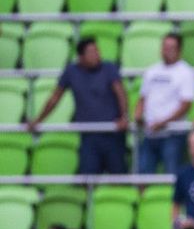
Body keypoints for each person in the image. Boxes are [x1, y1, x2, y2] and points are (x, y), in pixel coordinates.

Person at [29, 38, 129, 175]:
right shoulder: (71, 71)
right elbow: (55, 98)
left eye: (97, 50)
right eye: (92, 52)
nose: (97, 54)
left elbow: (121, 93)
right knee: (87, 178)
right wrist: (39, 120)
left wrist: (124, 117)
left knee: (118, 177)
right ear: (81, 57)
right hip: (88, 135)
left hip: (112, 133)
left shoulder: (109, 68)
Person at [136, 33, 194, 175]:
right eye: (165, 47)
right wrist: (138, 115)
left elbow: (186, 105)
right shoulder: (151, 71)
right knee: (143, 175)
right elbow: (143, 98)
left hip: (173, 134)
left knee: (172, 176)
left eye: (171, 47)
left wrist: (163, 122)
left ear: (179, 50)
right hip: (150, 133)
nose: (167, 51)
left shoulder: (186, 72)